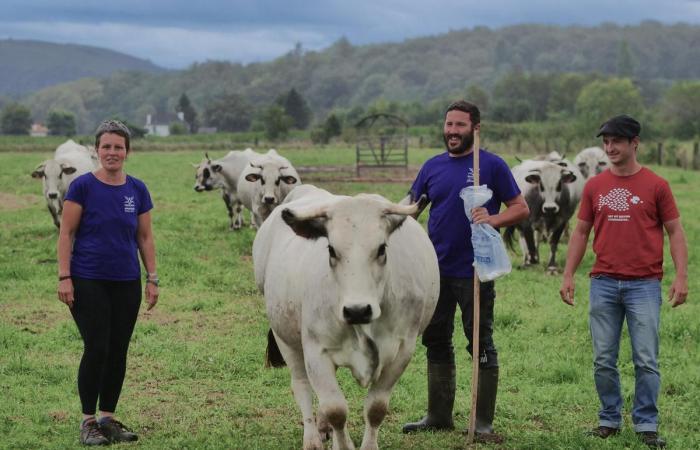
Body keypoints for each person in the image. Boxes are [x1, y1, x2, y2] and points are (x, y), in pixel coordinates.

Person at [402, 100, 529, 442]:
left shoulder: (491, 165)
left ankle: (483, 422)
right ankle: (438, 415)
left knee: (480, 342)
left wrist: (493, 218)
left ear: (474, 128)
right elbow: (412, 208)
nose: (452, 131)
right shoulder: (432, 167)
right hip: (435, 271)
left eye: (460, 125)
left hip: (475, 270)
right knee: (436, 340)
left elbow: (520, 207)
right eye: (449, 125)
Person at [559, 115, 688, 449]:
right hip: (603, 282)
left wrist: (681, 276)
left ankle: (647, 423)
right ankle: (609, 419)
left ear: (635, 143)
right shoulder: (595, 186)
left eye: (617, 141)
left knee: (646, 358)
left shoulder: (657, 185)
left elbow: (675, 231)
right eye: (606, 141)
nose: (610, 147)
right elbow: (581, 232)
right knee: (603, 358)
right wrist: (569, 274)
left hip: (644, 284)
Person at [57, 119, 159, 446]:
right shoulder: (82, 187)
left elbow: (144, 237)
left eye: (118, 147)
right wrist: (65, 277)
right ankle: (88, 421)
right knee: (97, 347)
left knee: (118, 351)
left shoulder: (137, 189)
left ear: (127, 151)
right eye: (106, 147)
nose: (112, 152)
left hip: (127, 280)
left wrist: (152, 278)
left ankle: (108, 418)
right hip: (88, 279)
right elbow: (66, 234)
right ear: (96, 150)